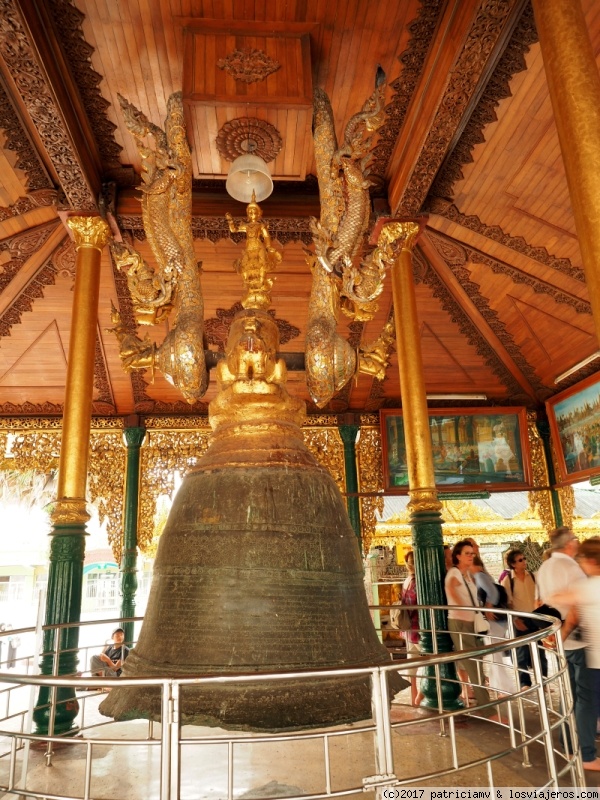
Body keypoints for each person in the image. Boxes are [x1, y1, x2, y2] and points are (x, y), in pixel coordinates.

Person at [537, 527, 600, 771]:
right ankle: (584, 751)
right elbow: (572, 609)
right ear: (569, 544)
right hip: (584, 646)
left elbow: (546, 602)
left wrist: (554, 633)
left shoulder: (544, 569)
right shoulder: (577, 574)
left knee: (573, 693)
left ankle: (570, 741)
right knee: (585, 699)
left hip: (573, 642)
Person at [444, 540, 493, 714]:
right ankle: (488, 709)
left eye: (472, 553)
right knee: (473, 664)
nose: (471, 556)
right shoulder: (455, 574)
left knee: (476, 662)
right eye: (467, 553)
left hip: (470, 622)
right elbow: (451, 590)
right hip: (460, 622)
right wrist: (464, 610)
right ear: (457, 556)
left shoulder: (466, 575)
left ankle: (485, 705)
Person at [501, 549, 546, 688]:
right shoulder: (508, 580)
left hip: (535, 617)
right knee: (521, 652)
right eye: (520, 560)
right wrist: (514, 619)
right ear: (513, 564)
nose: (524, 562)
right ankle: (524, 682)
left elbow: (540, 596)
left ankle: (543, 681)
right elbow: (506, 603)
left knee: (540, 651)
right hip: (519, 619)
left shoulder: (532, 576)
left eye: (524, 558)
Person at [397, 551, 423, 706]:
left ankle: (414, 697)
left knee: (412, 665)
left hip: (408, 630)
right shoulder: (416, 582)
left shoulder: (406, 580)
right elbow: (417, 602)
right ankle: (420, 695)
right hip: (418, 628)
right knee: (435, 662)